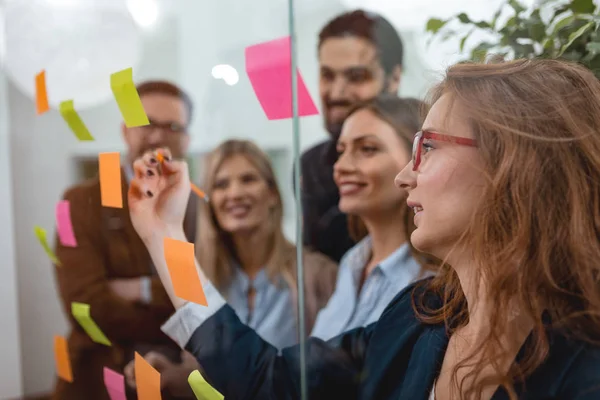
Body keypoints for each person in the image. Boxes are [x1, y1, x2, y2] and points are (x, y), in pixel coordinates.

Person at [128, 59, 600, 399]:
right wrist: (163, 235)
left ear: (516, 165)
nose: (404, 177)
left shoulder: (584, 364)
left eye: (428, 148)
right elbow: (269, 379)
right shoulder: (418, 316)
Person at [125, 139, 337, 397]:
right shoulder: (203, 278)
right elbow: (214, 381)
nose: (235, 193)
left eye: (248, 179)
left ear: (272, 194)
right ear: (210, 201)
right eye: (221, 184)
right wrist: (173, 373)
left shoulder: (319, 275)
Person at [52, 81, 197, 400]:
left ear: (187, 139)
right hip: (97, 383)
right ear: (125, 130)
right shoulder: (76, 203)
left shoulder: (201, 209)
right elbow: (83, 305)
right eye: (145, 123)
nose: (158, 136)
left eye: (171, 126)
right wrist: (177, 310)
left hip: (178, 384)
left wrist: (139, 289)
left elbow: (208, 296)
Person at [310, 95, 433, 340]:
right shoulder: (352, 263)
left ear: (419, 160)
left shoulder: (430, 282)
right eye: (341, 151)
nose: (340, 167)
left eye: (367, 149)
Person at [301, 10, 405, 263]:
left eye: (356, 77)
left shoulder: (429, 155)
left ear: (393, 79)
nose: (337, 92)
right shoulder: (311, 166)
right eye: (327, 75)